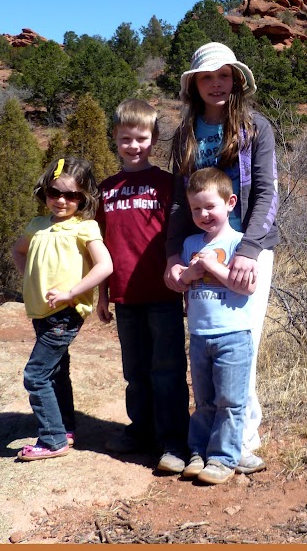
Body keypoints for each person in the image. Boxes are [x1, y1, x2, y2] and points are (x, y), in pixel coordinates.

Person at [165, 42, 278, 466]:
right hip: (198, 248)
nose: (217, 84)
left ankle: (241, 441)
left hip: (248, 247)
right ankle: (215, 441)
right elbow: (179, 201)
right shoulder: (186, 134)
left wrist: (248, 249)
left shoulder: (255, 128)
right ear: (194, 84)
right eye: (208, 77)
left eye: (224, 75)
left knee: (244, 340)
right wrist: (172, 255)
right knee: (210, 341)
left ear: (236, 81)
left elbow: (267, 192)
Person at [95, 99, 190, 474]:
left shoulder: (168, 184)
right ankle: (141, 430)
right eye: (125, 139)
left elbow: (180, 236)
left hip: (163, 292)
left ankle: (173, 441)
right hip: (125, 296)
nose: (133, 146)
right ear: (115, 140)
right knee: (134, 370)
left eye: (141, 138)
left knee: (166, 369)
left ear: (153, 140)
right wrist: (102, 295)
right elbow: (99, 243)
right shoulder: (106, 189)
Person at [11, 156, 112, 460]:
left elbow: (105, 265)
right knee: (55, 371)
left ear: (84, 198)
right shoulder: (38, 226)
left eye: (72, 195)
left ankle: (53, 439)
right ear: (45, 192)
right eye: (55, 193)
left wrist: (72, 292)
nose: (62, 201)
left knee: (36, 375)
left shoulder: (85, 228)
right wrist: (31, 278)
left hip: (65, 313)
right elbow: (18, 250)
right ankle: (64, 426)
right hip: (42, 311)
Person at [175, 166, 256, 484]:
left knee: (230, 402)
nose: (203, 214)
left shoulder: (241, 244)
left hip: (233, 335)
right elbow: (181, 284)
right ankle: (199, 452)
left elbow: (247, 287)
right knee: (205, 400)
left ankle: (224, 458)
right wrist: (188, 274)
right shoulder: (190, 242)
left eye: (210, 206)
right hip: (199, 335)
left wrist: (212, 267)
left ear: (230, 202)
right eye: (196, 208)